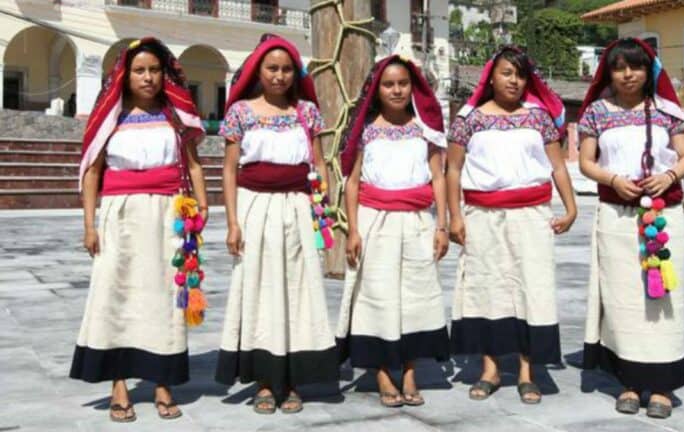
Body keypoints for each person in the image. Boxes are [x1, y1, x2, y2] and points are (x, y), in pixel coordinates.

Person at [70, 37, 208, 422]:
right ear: (125, 75)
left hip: (169, 215)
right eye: (139, 71)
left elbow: (194, 165)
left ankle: (162, 384)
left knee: (165, 295)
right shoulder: (109, 117)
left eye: (155, 70)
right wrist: (89, 225)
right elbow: (93, 172)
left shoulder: (175, 116)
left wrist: (204, 203)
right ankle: (118, 384)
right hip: (121, 216)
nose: (148, 78)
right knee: (118, 295)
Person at [446, 46, 577, 404]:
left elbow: (558, 166)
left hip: (530, 216)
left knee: (530, 289)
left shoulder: (538, 117)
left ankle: (526, 371)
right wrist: (454, 217)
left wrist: (571, 207)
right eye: (506, 73)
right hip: (482, 217)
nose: (514, 81)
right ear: (491, 76)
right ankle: (489, 369)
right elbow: (453, 169)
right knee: (487, 289)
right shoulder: (468, 118)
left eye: (519, 74)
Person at [215, 34, 338, 415]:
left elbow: (318, 164)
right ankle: (265, 381)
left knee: (298, 289)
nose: (280, 76)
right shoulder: (240, 112)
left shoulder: (307, 112)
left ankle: (294, 379)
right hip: (255, 209)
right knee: (259, 289)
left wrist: (323, 211)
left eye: (287, 69)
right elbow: (230, 169)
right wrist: (233, 222)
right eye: (272, 68)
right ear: (258, 70)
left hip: (299, 208)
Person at [577, 38, 684, 419]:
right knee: (622, 298)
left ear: (649, 71)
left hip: (662, 217)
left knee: (663, 299)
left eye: (636, 67)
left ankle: (662, 387)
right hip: (616, 216)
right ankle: (628, 382)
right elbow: (586, 162)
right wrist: (612, 179)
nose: (628, 74)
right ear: (608, 72)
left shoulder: (667, 111)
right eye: (619, 67)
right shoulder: (596, 112)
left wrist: (669, 174)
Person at [336, 55, 450, 408]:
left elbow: (438, 177)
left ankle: (411, 371)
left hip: (417, 223)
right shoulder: (365, 131)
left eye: (403, 83)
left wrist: (442, 225)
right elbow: (352, 182)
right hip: (375, 222)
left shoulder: (425, 130)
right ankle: (383, 372)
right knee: (378, 296)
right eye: (389, 84)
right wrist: (353, 230)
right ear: (377, 89)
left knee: (414, 298)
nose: (397, 90)